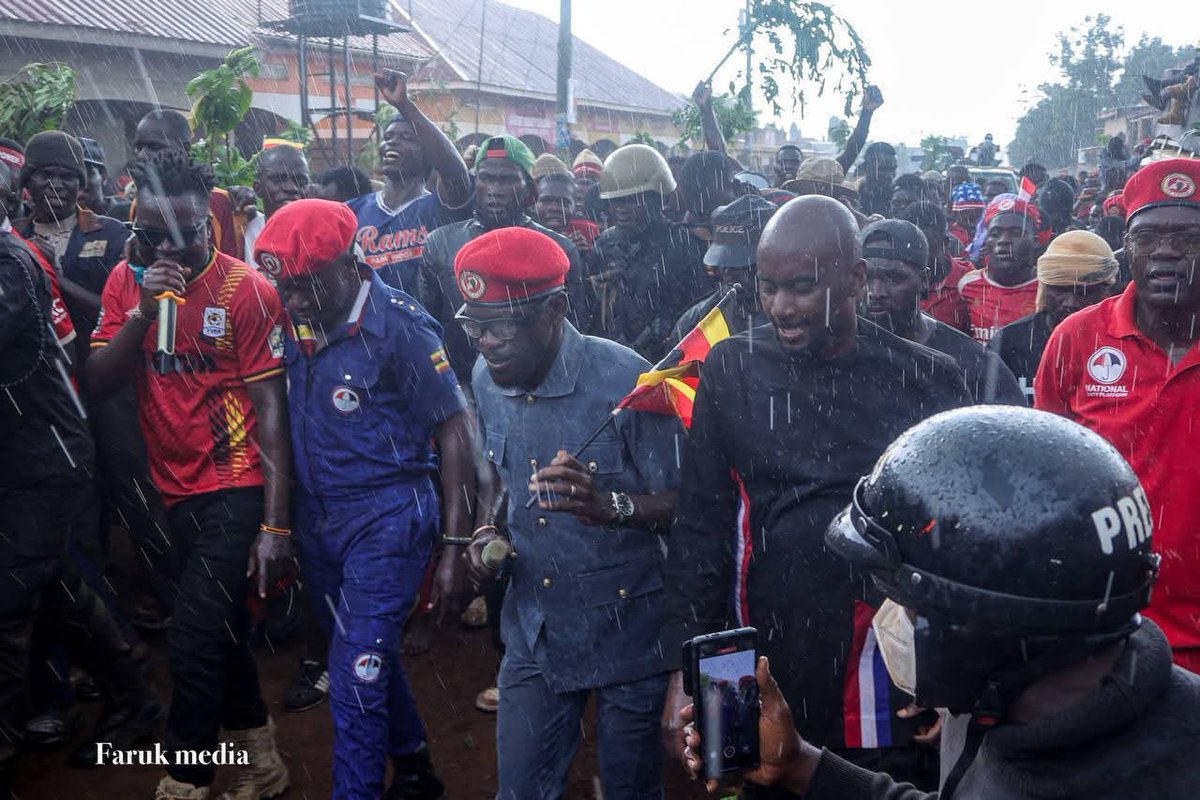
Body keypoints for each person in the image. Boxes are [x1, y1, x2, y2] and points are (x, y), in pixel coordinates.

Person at [682, 405, 1199, 799]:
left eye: (909, 607)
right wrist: (800, 763)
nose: (890, 623)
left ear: (980, 629)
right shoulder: (1006, 701)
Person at [663, 196, 971, 796]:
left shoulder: (928, 378)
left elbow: (955, 538)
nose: (780, 307)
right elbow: (702, 527)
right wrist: (686, 669)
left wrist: (952, 670)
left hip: (884, 671)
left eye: (801, 288)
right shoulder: (732, 369)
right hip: (755, 655)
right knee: (750, 782)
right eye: (768, 287)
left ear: (855, 279)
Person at [86, 153, 292, 800]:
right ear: (132, 227)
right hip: (169, 489)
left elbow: (272, 414)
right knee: (221, 627)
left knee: (194, 635)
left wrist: (276, 524)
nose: (166, 249)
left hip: (236, 486)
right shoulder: (127, 281)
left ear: (211, 223)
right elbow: (98, 382)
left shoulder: (248, 291)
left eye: (185, 235)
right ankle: (262, 760)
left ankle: (187, 775)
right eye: (148, 236)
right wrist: (145, 310)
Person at [257, 199, 473, 799]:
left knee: (354, 676)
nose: (294, 300)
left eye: (306, 286)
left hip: (389, 517)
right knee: (363, 650)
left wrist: (454, 544)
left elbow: (455, 431)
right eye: (287, 287)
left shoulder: (402, 327)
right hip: (317, 522)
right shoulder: (291, 313)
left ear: (351, 263)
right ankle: (414, 766)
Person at [460, 227, 683, 800]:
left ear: (554, 309)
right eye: (474, 326)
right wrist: (489, 530)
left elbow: (689, 506)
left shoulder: (629, 382)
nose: (485, 343)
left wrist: (612, 506)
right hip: (534, 627)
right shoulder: (485, 380)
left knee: (630, 790)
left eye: (500, 327)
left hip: (628, 633)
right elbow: (503, 476)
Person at [0, 169, 163, 796]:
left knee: (8, 608)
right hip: (26, 461)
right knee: (53, 590)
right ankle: (136, 697)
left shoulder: (10, 263)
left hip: (42, 462)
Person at [1036, 158, 1200, 673]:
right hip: (1100, 642)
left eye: (1189, 237)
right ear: (1125, 245)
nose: (1167, 252)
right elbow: (1044, 483)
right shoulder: (1078, 339)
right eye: (1147, 235)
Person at [421, 134, 584, 386]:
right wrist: (445, 389)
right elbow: (427, 330)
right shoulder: (440, 244)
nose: (494, 191)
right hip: (460, 387)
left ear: (530, 190)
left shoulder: (559, 249)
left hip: (538, 389)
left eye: (507, 180)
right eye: (486, 178)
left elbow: (574, 332)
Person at [861, 219, 1024, 404]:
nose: (875, 292)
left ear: (924, 280)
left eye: (892, 278)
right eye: (865, 278)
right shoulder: (839, 350)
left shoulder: (972, 365)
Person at [346, 69, 472, 294]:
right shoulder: (352, 212)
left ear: (428, 155)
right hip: (369, 326)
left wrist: (404, 105)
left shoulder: (440, 208)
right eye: (388, 137)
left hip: (425, 326)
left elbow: (456, 172)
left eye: (406, 138)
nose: (392, 143)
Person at [588, 143, 709, 359]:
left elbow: (698, 315)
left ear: (657, 198)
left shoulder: (684, 244)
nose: (621, 209)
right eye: (615, 202)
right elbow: (593, 316)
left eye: (633, 199)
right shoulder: (604, 246)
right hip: (613, 361)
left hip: (669, 361)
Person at [15, 131, 127, 364]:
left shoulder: (110, 233)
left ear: (80, 184)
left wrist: (55, 278)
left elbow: (118, 314)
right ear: (27, 181)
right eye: (45, 175)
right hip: (30, 376)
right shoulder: (13, 235)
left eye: (67, 176)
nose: (56, 185)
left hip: (93, 373)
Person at [990, 229, 1119, 403]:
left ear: (1106, 292)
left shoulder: (1124, 345)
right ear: (1045, 287)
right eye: (1061, 290)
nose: (1070, 303)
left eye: (1083, 292)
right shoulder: (1009, 343)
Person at [133, 108, 243, 259]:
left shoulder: (219, 201)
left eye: (155, 147)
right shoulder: (140, 202)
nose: (142, 156)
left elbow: (229, 263)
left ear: (185, 149)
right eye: (139, 148)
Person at [670, 193, 776, 340]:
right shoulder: (696, 322)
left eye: (740, 263)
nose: (728, 270)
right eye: (724, 262)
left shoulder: (795, 315)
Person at [958, 196, 1044, 344]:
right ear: (986, 241)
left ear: (1035, 241)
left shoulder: (1047, 287)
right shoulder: (967, 285)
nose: (1004, 240)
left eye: (1016, 232)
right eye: (996, 233)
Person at [897, 202, 972, 333]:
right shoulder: (890, 279)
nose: (916, 257)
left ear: (944, 243)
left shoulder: (968, 280)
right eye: (909, 248)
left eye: (924, 247)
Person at [243, 141, 309, 263]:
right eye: (278, 180)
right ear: (258, 188)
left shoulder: (326, 236)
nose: (291, 188)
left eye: (301, 181)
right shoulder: (241, 233)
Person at [535, 170, 600, 256]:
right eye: (546, 201)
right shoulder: (522, 233)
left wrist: (582, 256)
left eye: (564, 203)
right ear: (535, 204)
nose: (554, 208)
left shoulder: (587, 232)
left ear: (575, 207)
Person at [856, 142, 898, 217]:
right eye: (883, 169)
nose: (889, 175)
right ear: (866, 167)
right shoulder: (853, 197)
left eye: (893, 169)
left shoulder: (897, 200)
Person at [947, 182, 985, 248]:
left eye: (978, 211)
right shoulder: (954, 237)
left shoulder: (985, 233)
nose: (974, 214)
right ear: (955, 213)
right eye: (967, 212)